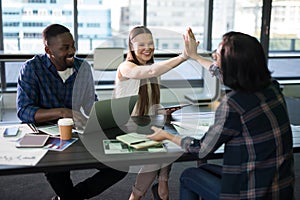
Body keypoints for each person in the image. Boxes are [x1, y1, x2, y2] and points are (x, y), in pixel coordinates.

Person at [147, 28, 295, 200]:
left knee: (188, 176)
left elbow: (202, 150)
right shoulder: (272, 88)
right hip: (281, 188)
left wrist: (166, 135)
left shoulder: (233, 104)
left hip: (253, 193)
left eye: (217, 55)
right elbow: (225, 73)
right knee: (202, 170)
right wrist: (194, 56)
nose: (214, 57)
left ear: (232, 66)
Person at [17, 24, 127, 200]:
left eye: (73, 45)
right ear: (48, 49)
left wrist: (108, 115)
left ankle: (71, 197)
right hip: (48, 139)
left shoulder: (82, 68)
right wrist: (62, 112)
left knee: (120, 165)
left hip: (79, 134)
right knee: (59, 175)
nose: (72, 51)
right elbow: (24, 111)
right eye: (65, 48)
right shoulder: (31, 69)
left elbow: (90, 103)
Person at [113, 26, 188, 200]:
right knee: (159, 150)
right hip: (124, 126)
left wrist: (162, 111)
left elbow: (148, 106)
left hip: (143, 125)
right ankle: (150, 192)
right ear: (131, 46)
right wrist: (184, 56)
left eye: (151, 43)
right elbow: (151, 71)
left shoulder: (154, 71)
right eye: (141, 44)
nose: (147, 48)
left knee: (170, 138)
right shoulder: (125, 67)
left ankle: (162, 184)